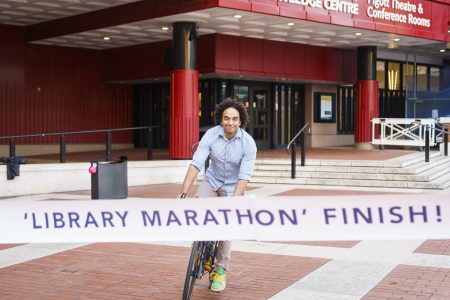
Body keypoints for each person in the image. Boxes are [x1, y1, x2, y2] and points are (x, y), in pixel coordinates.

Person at [177, 97, 257, 292]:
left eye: (234, 119)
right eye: (226, 118)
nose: (230, 122)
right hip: (212, 181)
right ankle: (199, 246)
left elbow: (244, 177)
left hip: (233, 187)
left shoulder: (248, 144)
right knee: (199, 208)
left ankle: (220, 270)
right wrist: (183, 193)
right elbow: (196, 163)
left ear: (240, 121)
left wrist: (233, 203)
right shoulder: (211, 135)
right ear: (221, 119)